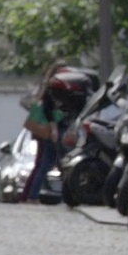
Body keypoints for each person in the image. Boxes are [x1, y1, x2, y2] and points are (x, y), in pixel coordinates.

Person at [22, 71, 89, 203]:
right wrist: (54, 129)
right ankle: (66, 196)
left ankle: (33, 196)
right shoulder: (55, 91)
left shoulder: (50, 90)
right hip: (57, 130)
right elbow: (49, 110)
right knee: (62, 164)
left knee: (46, 165)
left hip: (53, 131)